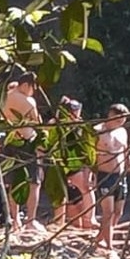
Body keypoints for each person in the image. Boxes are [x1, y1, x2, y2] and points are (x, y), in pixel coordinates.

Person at [94, 103, 130, 250]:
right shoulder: (97, 131)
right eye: (118, 120)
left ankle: (100, 237)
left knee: (118, 212)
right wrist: (89, 175)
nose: (121, 123)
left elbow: (127, 155)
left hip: (120, 176)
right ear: (111, 116)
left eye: (123, 121)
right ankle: (109, 247)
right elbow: (89, 157)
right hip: (104, 176)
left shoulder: (122, 132)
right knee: (107, 213)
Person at [0, 71, 44, 231]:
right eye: (33, 88)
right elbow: (37, 122)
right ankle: (30, 220)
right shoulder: (28, 101)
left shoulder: (5, 97)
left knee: (14, 182)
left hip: (10, 141)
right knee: (34, 182)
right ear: (25, 85)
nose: (34, 91)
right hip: (27, 143)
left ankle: (15, 220)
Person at [50, 96, 97, 229]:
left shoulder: (79, 126)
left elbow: (89, 146)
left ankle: (89, 218)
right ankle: (61, 221)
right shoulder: (58, 124)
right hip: (64, 163)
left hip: (74, 163)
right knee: (67, 192)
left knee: (85, 189)